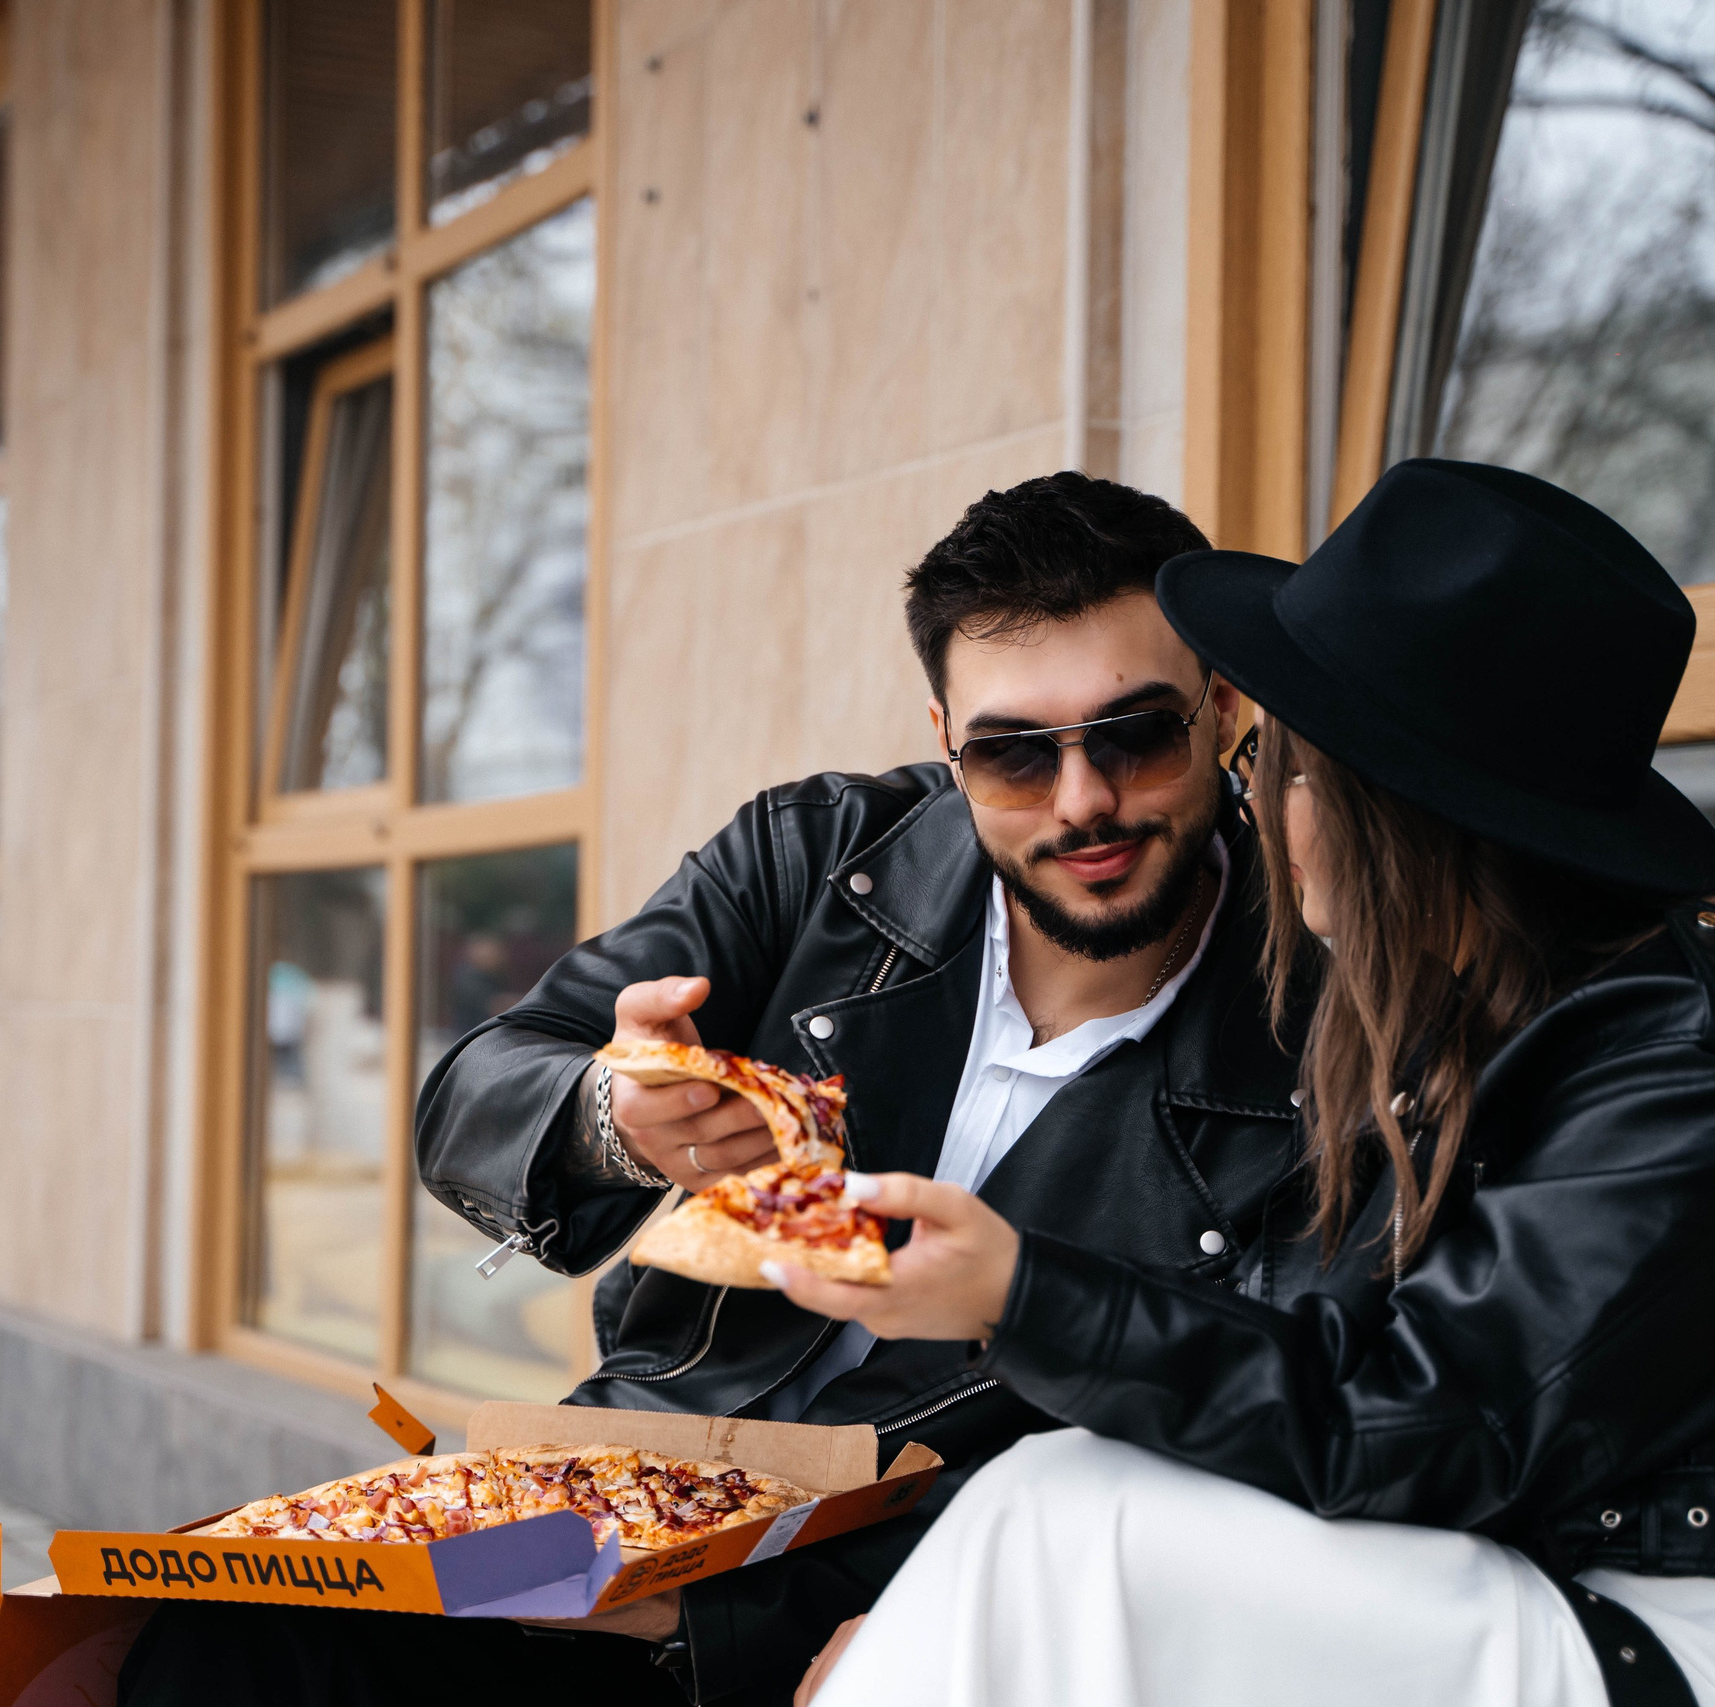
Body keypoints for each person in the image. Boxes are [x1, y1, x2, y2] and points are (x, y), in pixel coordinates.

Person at [770, 460, 1715, 1707]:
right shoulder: (1491, 1020)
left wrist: (1021, 1294)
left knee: (1060, 1524)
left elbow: (1434, 1416)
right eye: (1010, 752)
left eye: (1271, 774)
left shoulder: (1705, 1056)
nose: (1257, 824)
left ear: (1384, 812)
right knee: (1028, 1520)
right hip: (626, 1544)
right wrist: (930, 1618)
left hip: (1695, 1646)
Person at [117, 473, 1310, 1707]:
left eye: (1135, 733)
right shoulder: (816, 857)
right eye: (1013, 752)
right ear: (946, 742)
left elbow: (1246, 1435)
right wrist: (615, 1117)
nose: (1082, 802)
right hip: (619, 1502)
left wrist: (777, 1613)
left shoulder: (1324, 1021)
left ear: (1222, 711)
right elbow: (477, 1089)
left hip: (910, 1591)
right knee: (227, 1640)